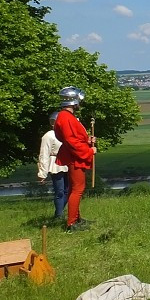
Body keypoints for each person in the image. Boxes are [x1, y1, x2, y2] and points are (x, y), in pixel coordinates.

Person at [53, 86, 95, 232]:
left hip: (73, 154)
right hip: (74, 156)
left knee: (74, 189)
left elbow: (75, 137)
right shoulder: (65, 117)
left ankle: (76, 218)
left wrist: (88, 140)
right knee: (77, 189)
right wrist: (89, 151)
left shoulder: (66, 117)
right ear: (74, 101)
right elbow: (72, 141)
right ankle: (71, 223)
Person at [37, 111, 69, 220]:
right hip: (55, 164)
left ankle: (60, 213)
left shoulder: (67, 133)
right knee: (59, 191)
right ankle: (59, 215)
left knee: (68, 191)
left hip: (68, 163)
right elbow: (44, 154)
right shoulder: (49, 136)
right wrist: (42, 173)